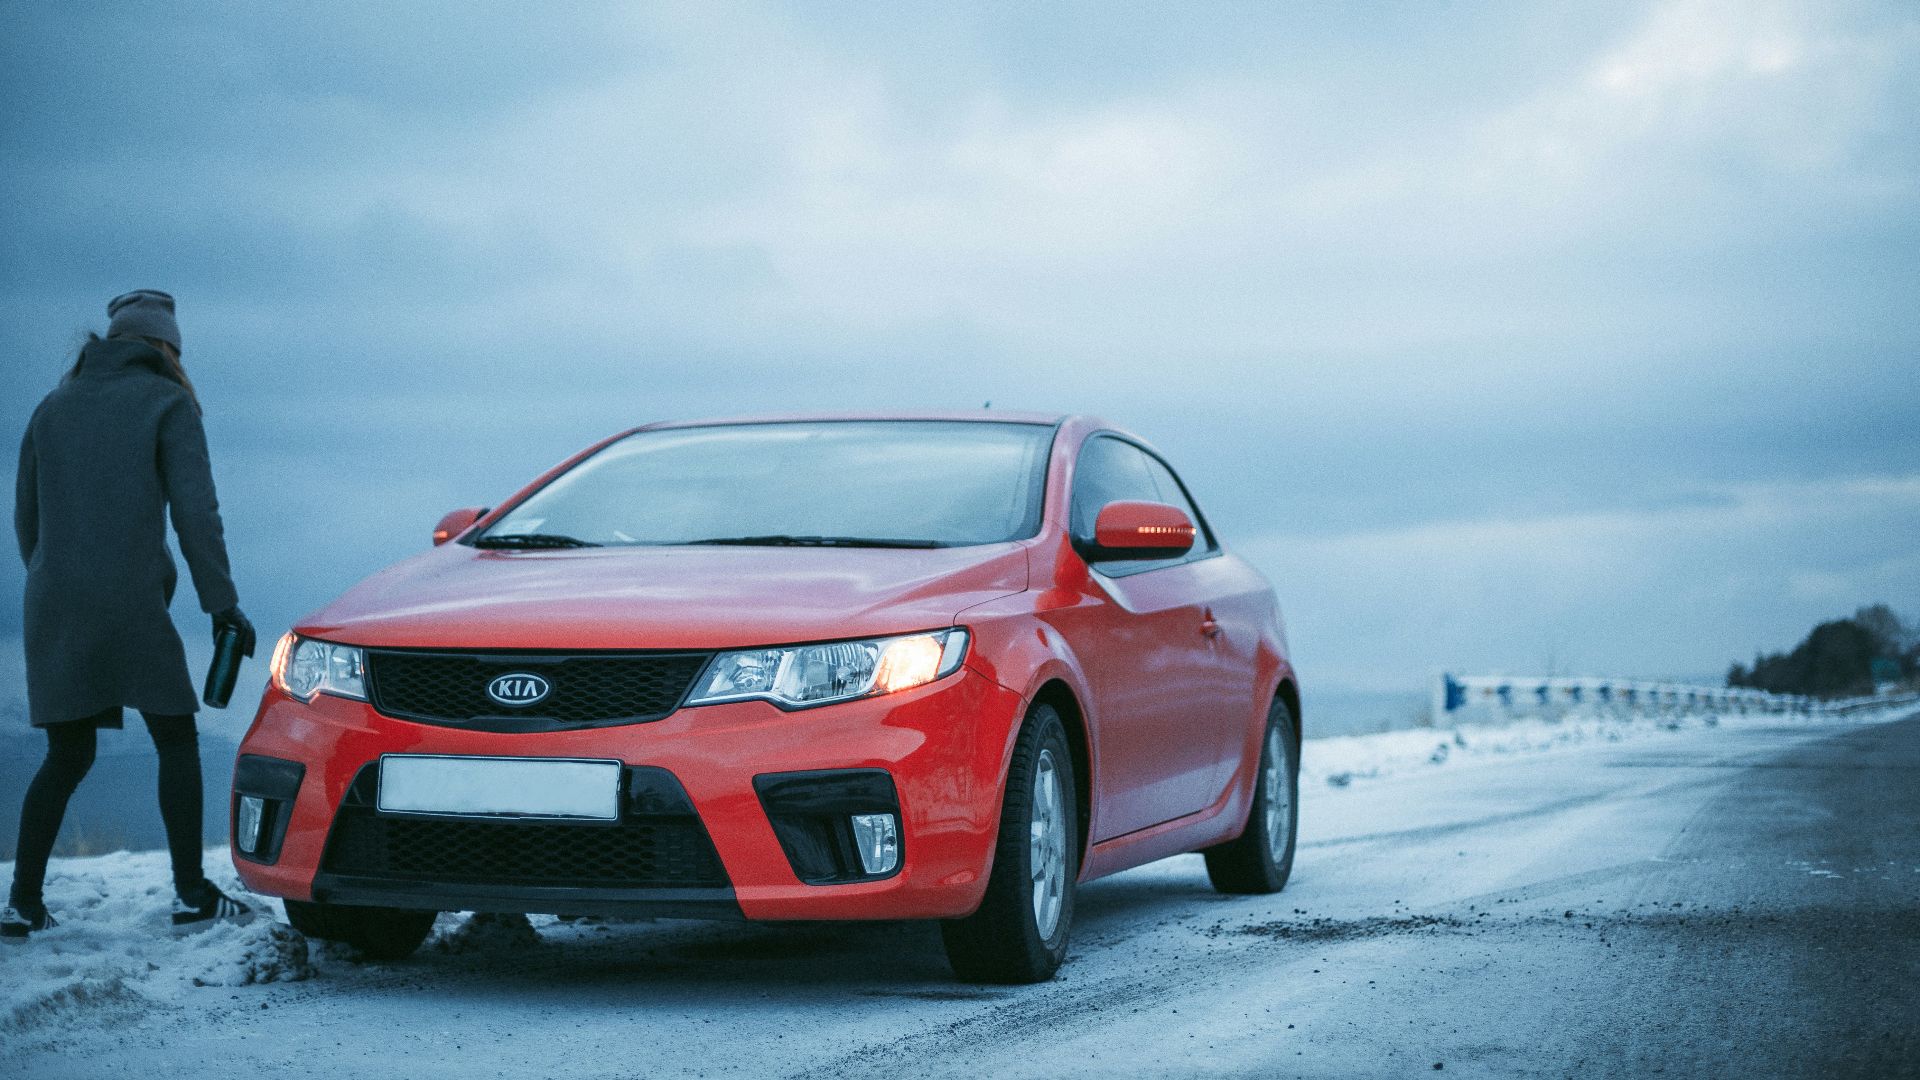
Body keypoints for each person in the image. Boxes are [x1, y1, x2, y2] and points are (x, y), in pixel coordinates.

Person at [5, 290, 257, 942]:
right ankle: (192, 895)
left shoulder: (51, 408)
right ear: (165, 347)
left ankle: (21, 903)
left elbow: (26, 521)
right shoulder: (168, 403)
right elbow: (196, 514)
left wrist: (60, 580)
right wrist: (221, 605)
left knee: (67, 751)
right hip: (130, 601)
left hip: (52, 600)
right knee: (175, 737)